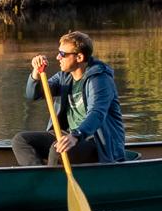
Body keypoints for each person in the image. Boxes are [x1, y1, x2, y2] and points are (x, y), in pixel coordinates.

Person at [13, 31, 128, 169]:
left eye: (62, 54)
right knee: (20, 140)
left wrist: (76, 135)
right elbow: (33, 94)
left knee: (58, 150)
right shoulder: (64, 77)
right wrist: (36, 73)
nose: (57, 57)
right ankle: (38, 176)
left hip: (97, 143)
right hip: (69, 136)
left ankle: (50, 185)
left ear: (79, 57)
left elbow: (97, 113)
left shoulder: (100, 79)